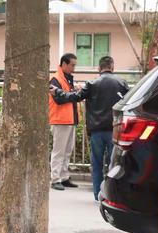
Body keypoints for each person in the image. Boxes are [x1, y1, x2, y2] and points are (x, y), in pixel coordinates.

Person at [50, 56, 128, 201]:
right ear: (112, 67)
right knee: (113, 163)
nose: (74, 68)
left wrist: (59, 92)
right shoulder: (122, 83)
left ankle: (97, 194)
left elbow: (75, 96)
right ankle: (111, 194)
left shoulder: (92, 84)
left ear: (99, 68)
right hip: (114, 129)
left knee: (96, 163)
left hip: (96, 130)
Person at [48, 53, 80, 191]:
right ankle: (55, 179)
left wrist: (72, 93)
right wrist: (74, 94)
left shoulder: (67, 79)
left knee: (67, 151)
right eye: (72, 65)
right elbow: (59, 99)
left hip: (69, 119)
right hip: (60, 120)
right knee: (59, 151)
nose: (74, 68)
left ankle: (64, 177)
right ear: (64, 64)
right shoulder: (55, 79)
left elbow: (65, 96)